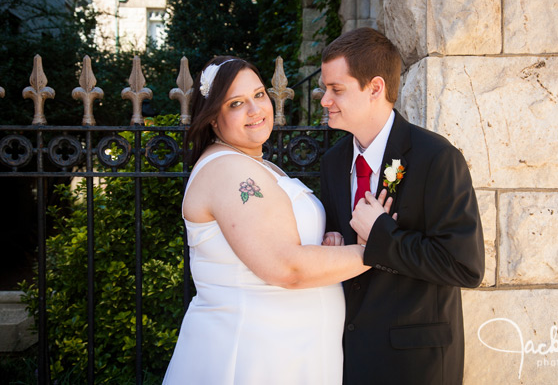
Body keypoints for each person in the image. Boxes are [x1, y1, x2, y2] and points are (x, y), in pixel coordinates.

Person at [163, 56, 378, 384]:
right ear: (212, 120)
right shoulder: (227, 171)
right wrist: (378, 251)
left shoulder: (256, 165)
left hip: (290, 354)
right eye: (236, 103)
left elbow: (281, 244)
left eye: (259, 94)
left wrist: (325, 251)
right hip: (252, 357)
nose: (255, 110)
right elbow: (285, 267)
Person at [319, 27, 485, 384]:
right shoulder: (332, 163)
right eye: (325, 89)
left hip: (415, 364)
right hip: (345, 360)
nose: (324, 100)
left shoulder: (437, 158)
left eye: (336, 89)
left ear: (375, 88)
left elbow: (465, 266)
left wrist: (382, 234)